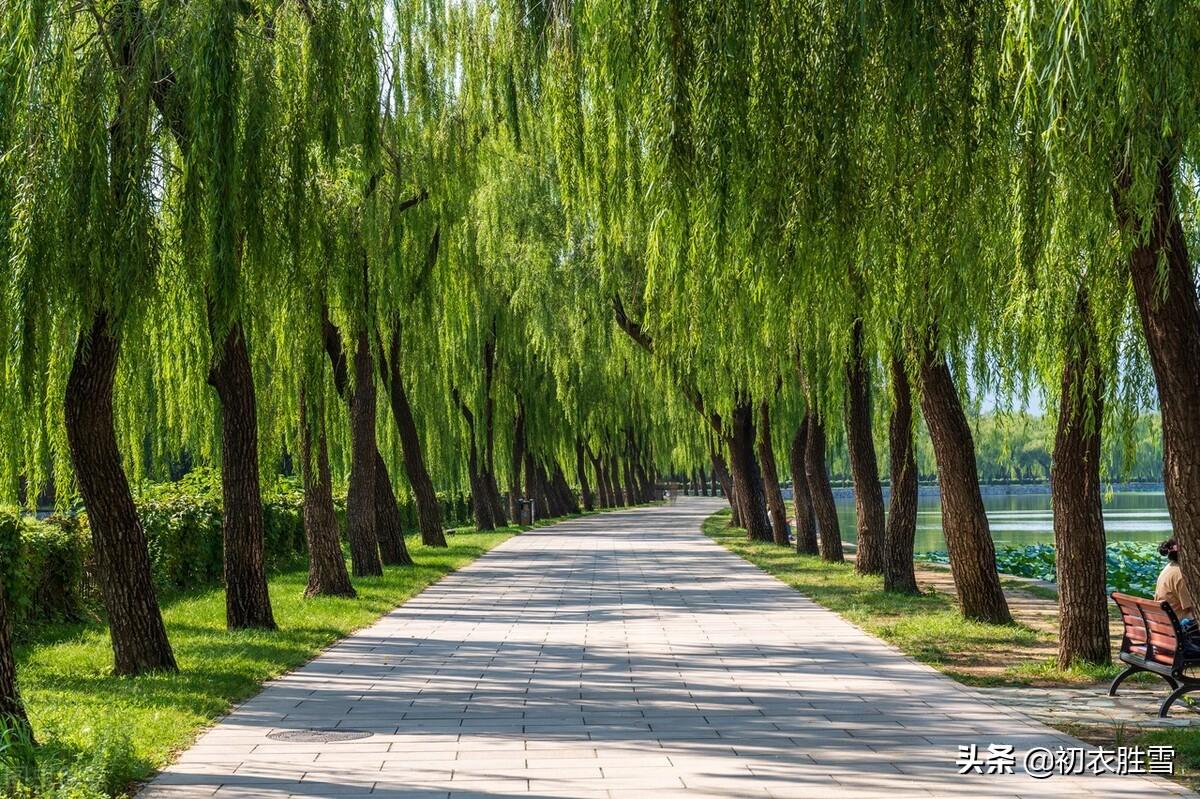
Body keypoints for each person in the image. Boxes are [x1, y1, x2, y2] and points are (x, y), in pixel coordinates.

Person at [1156, 537, 1197, 622]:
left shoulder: (1170, 567)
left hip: (1165, 622)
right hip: (1179, 626)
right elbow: (1193, 607)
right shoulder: (1182, 575)